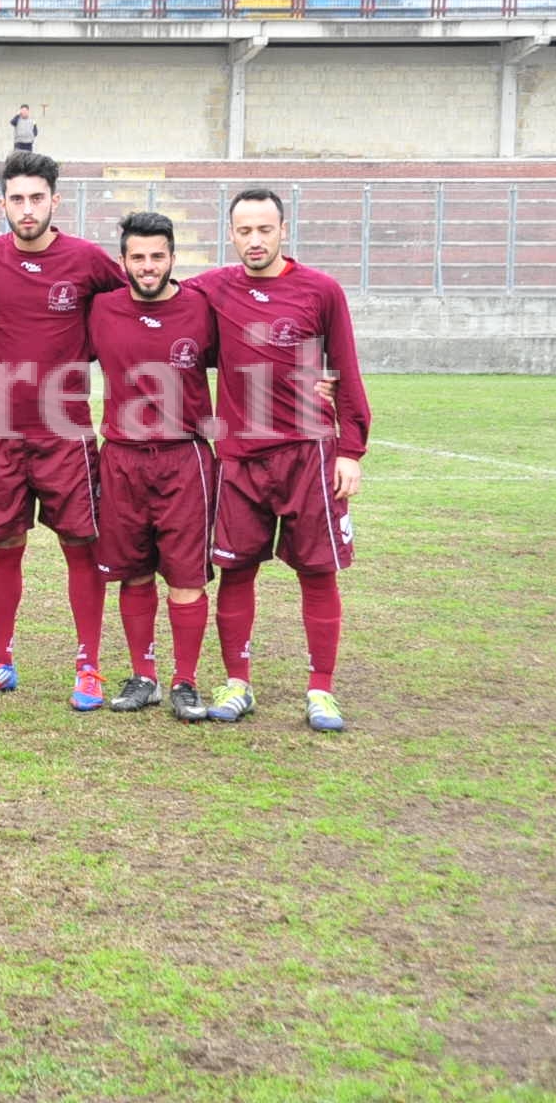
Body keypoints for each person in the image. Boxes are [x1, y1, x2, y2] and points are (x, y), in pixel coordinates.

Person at [190, 189, 371, 733]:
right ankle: (237, 682)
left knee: (317, 573)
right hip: (241, 458)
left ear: (283, 230)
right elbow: (154, 292)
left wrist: (352, 450)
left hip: (308, 455)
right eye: (244, 231)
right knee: (236, 570)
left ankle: (321, 691)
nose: (254, 240)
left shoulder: (321, 290)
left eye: (264, 229)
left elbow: (345, 369)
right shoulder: (212, 289)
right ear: (231, 234)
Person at [0, 151, 125, 707]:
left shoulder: (88, 260)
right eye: (16, 199)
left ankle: (89, 666)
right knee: (4, 545)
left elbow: (134, 304)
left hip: (66, 434)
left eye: (36, 198)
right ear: (1, 202)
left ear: (55, 201)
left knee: (81, 544)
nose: (26, 209)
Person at [88, 211, 219, 717]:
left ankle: (186, 681)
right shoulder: (99, 309)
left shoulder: (202, 309)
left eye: (157, 256)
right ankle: (144, 676)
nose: (147, 266)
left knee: (186, 577)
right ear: (122, 261)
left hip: (183, 456)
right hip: (120, 458)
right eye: (137, 257)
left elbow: (250, 360)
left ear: (172, 258)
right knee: (133, 572)